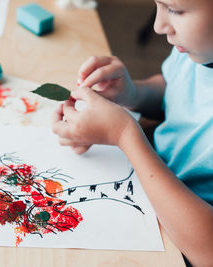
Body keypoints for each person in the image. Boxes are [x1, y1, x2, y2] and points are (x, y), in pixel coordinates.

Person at [51, 0, 213, 266]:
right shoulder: (199, 50)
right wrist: (133, 93)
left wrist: (124, 133)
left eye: (175, 10)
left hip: (181, 241)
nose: (159, 26)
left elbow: (208, 252)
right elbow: (175, 90)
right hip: (147, 190)